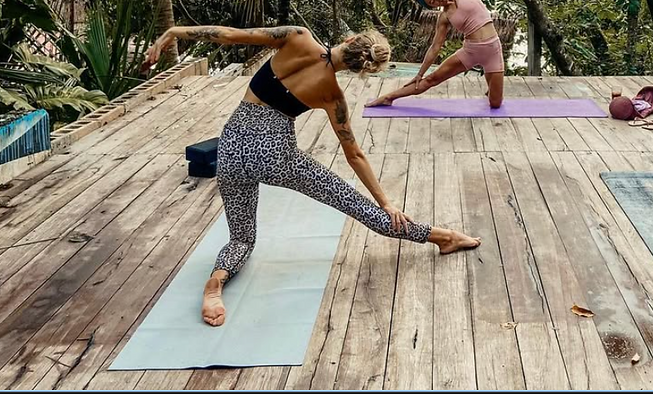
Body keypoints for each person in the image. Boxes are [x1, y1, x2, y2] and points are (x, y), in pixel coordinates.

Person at [143, 24, 480, 327]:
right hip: (277, 157)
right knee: (359, 206)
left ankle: (216, 281)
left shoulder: (296, 37)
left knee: (242, 238)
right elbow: (354, 154)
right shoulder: (332, 95)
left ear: (349, 40)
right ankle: (441, 237)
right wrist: (386, 202)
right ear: (361, 69)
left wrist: (173, 32)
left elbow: (228, 34)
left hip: (230, 148)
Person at [367, 0, 505, 108]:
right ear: (433, 6)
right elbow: (435, 47)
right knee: (431, 80)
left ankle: (491, 89)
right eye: (431, 1)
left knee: (495, 104)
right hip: (470, 51)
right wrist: (419, 74)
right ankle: (388, 97)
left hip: (493, 50)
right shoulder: (444, 17)